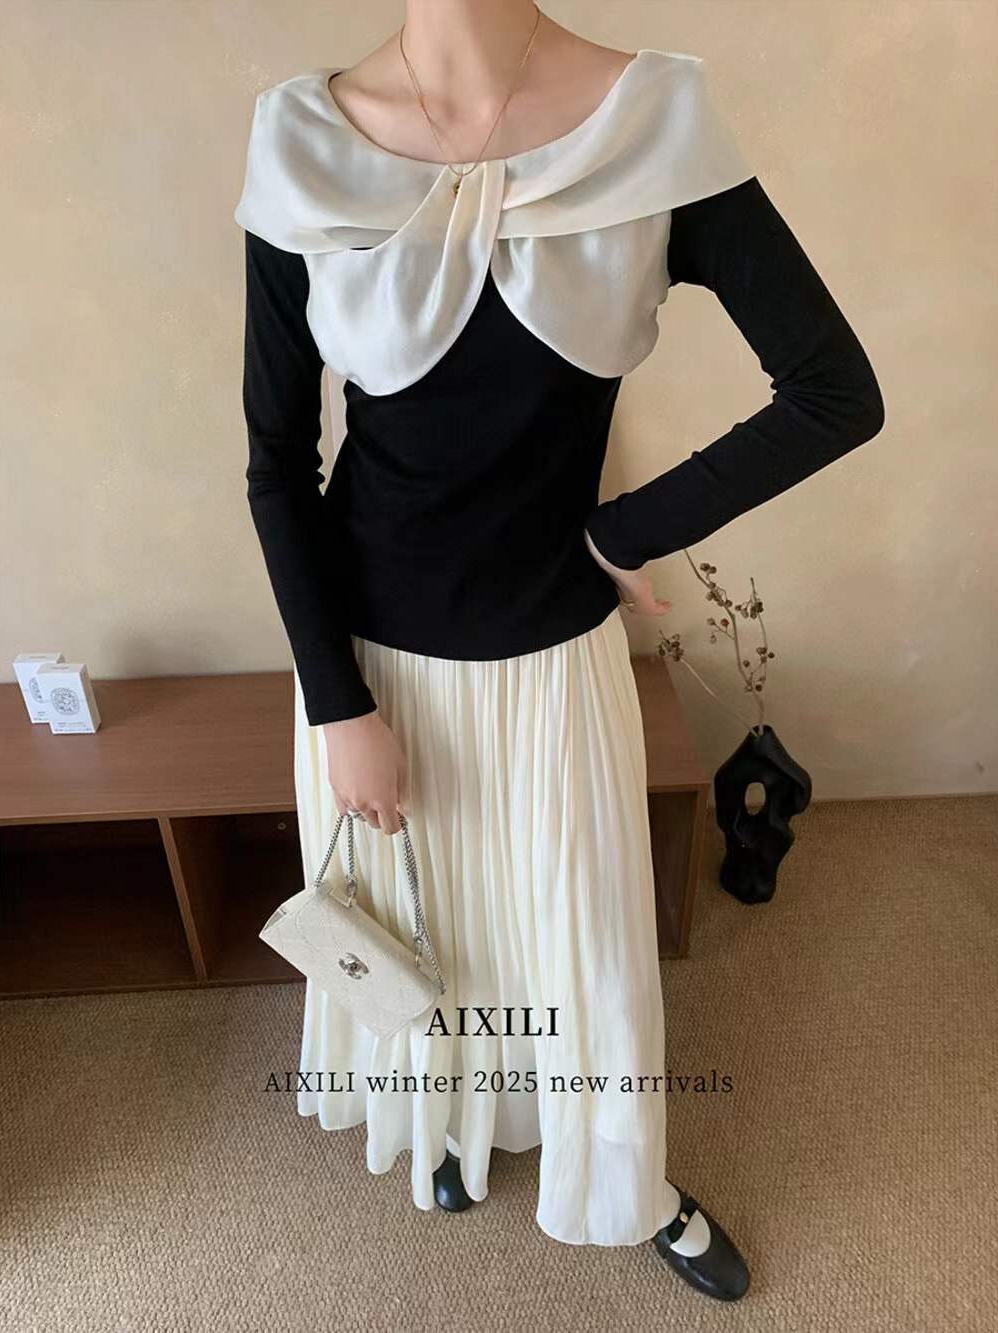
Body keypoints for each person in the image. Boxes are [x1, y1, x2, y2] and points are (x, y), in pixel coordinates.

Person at [234, 2, 884, 1303]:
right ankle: (446, 1125)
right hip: (374, 662)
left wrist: (626, 530)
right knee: (424, 927)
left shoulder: (652, 122)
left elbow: (833, 393)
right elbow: (277, 462)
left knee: (582, 944)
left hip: (554, 655)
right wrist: (337, 703)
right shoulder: (303, 138)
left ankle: (627, 1180)